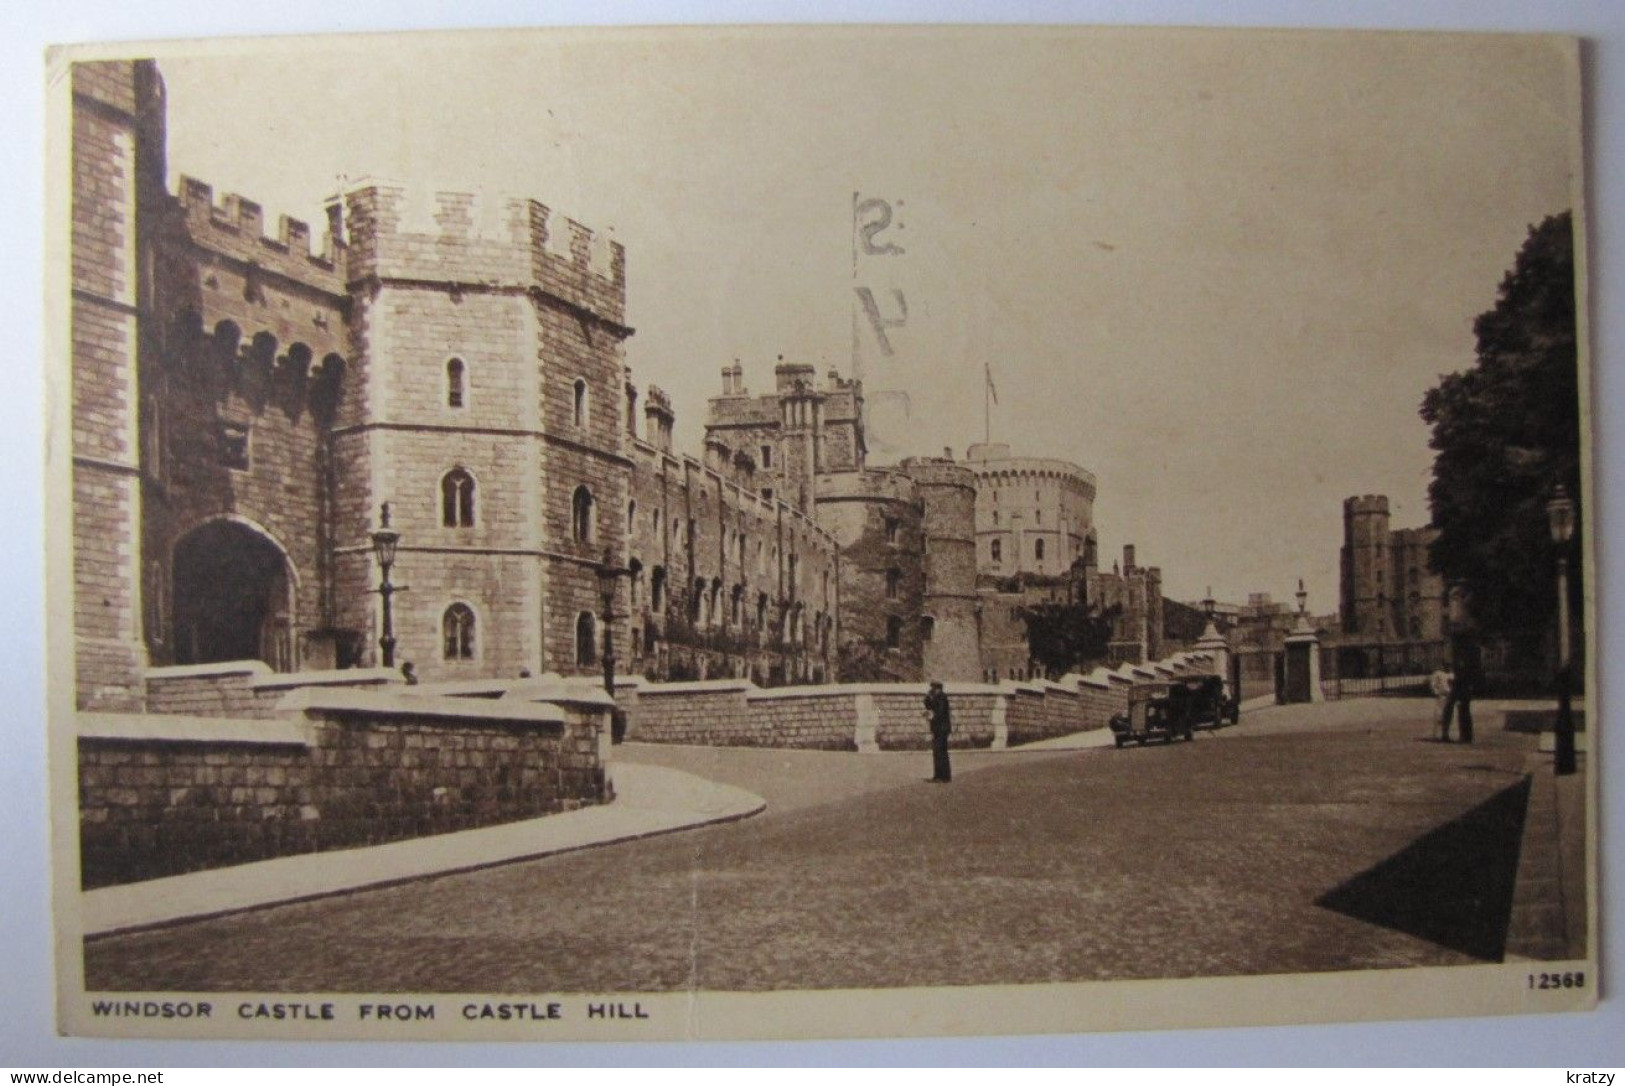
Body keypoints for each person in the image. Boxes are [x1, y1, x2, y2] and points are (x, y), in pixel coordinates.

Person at [923, 680, 952, 782]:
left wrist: (931, 717)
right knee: (938, 752)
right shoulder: (937, 697)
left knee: (940, 752)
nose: (931, 690)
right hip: (938, 729)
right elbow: (928, 705)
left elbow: (939, 713)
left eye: (933, 688)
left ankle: (943, 776)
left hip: (942, 729)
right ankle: (939, 776)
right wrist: (927, 697)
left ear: (937, 688)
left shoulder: (942, 697)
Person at [1428, 664, 1454, 740]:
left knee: (1448, 716)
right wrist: (1436, 692)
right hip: (1441, 696)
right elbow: (1432, 684)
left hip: (1450, 697)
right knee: (1439, 715)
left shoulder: (1452, 674)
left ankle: (1445, 734)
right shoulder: (1438, 674)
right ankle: (1436, 734)